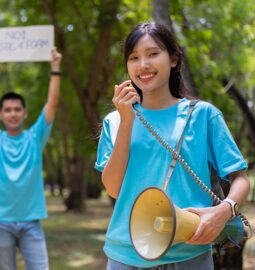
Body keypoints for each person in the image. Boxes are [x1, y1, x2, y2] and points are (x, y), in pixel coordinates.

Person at [95, 22, 250, 269]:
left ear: (174, 59)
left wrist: (223, 211)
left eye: (153, 54)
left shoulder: (203, 115)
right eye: (134, 57)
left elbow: (240, 178)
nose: (143, 65)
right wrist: (126, 123)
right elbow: (113, 189)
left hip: (190, 252)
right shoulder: (114, 122)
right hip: (126, 254)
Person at [0, 48, 62, 270]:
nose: (12, 113)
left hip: (31, 221)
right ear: (0, 114)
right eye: (8, 110)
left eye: (17, 109)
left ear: (24, 113)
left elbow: (51, 104)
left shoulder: (35, 136)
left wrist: (55, 69)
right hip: (0, 221)